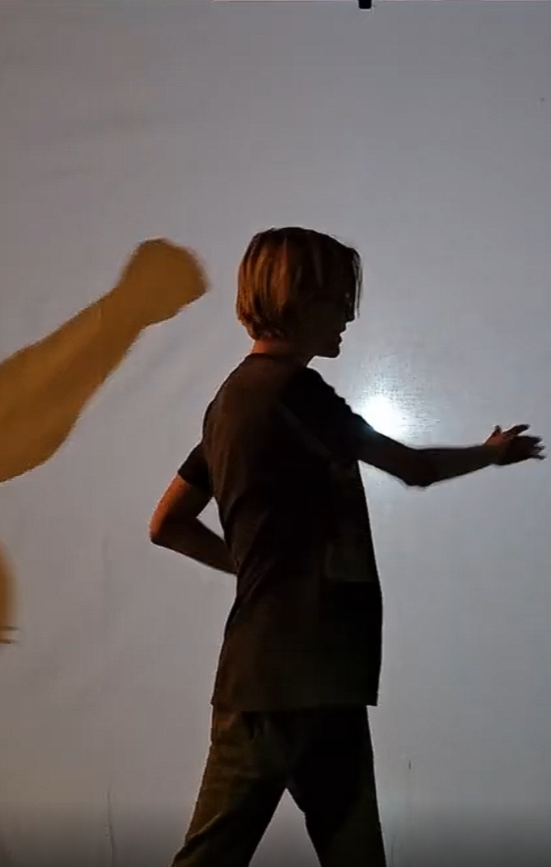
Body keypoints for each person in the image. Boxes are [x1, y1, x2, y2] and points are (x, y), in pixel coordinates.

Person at [149, 227, 544, 867]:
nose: (348, 316)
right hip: (289, 677)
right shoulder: (293, 393)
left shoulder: (230, 403)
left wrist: (251, 570)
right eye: (337, 298)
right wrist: (491, 454)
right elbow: (413, 468)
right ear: (297, 298)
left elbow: (167, 522)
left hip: (300, 672)